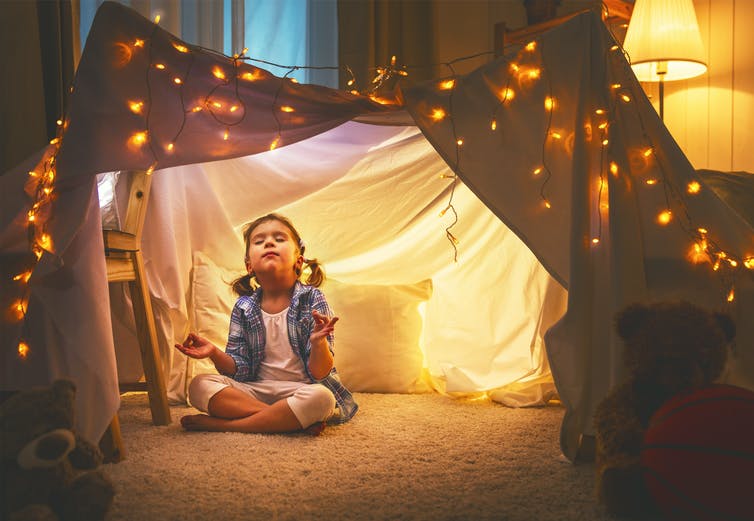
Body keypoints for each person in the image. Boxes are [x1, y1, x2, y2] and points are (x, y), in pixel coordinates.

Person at [174, 213, 357, 434]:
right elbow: (239, 371)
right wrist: (213, 352)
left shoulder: (312, 298)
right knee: (199, 385)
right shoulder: (244, 306)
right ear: (249, 265)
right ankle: (285, 421)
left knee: (322, 398)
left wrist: (319, 343)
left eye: (279, 239)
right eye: (259, 241)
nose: (269, 242)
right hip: (254, 390)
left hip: (301, 389)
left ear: (298, 261)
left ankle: (227, 425)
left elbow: (320, 373)